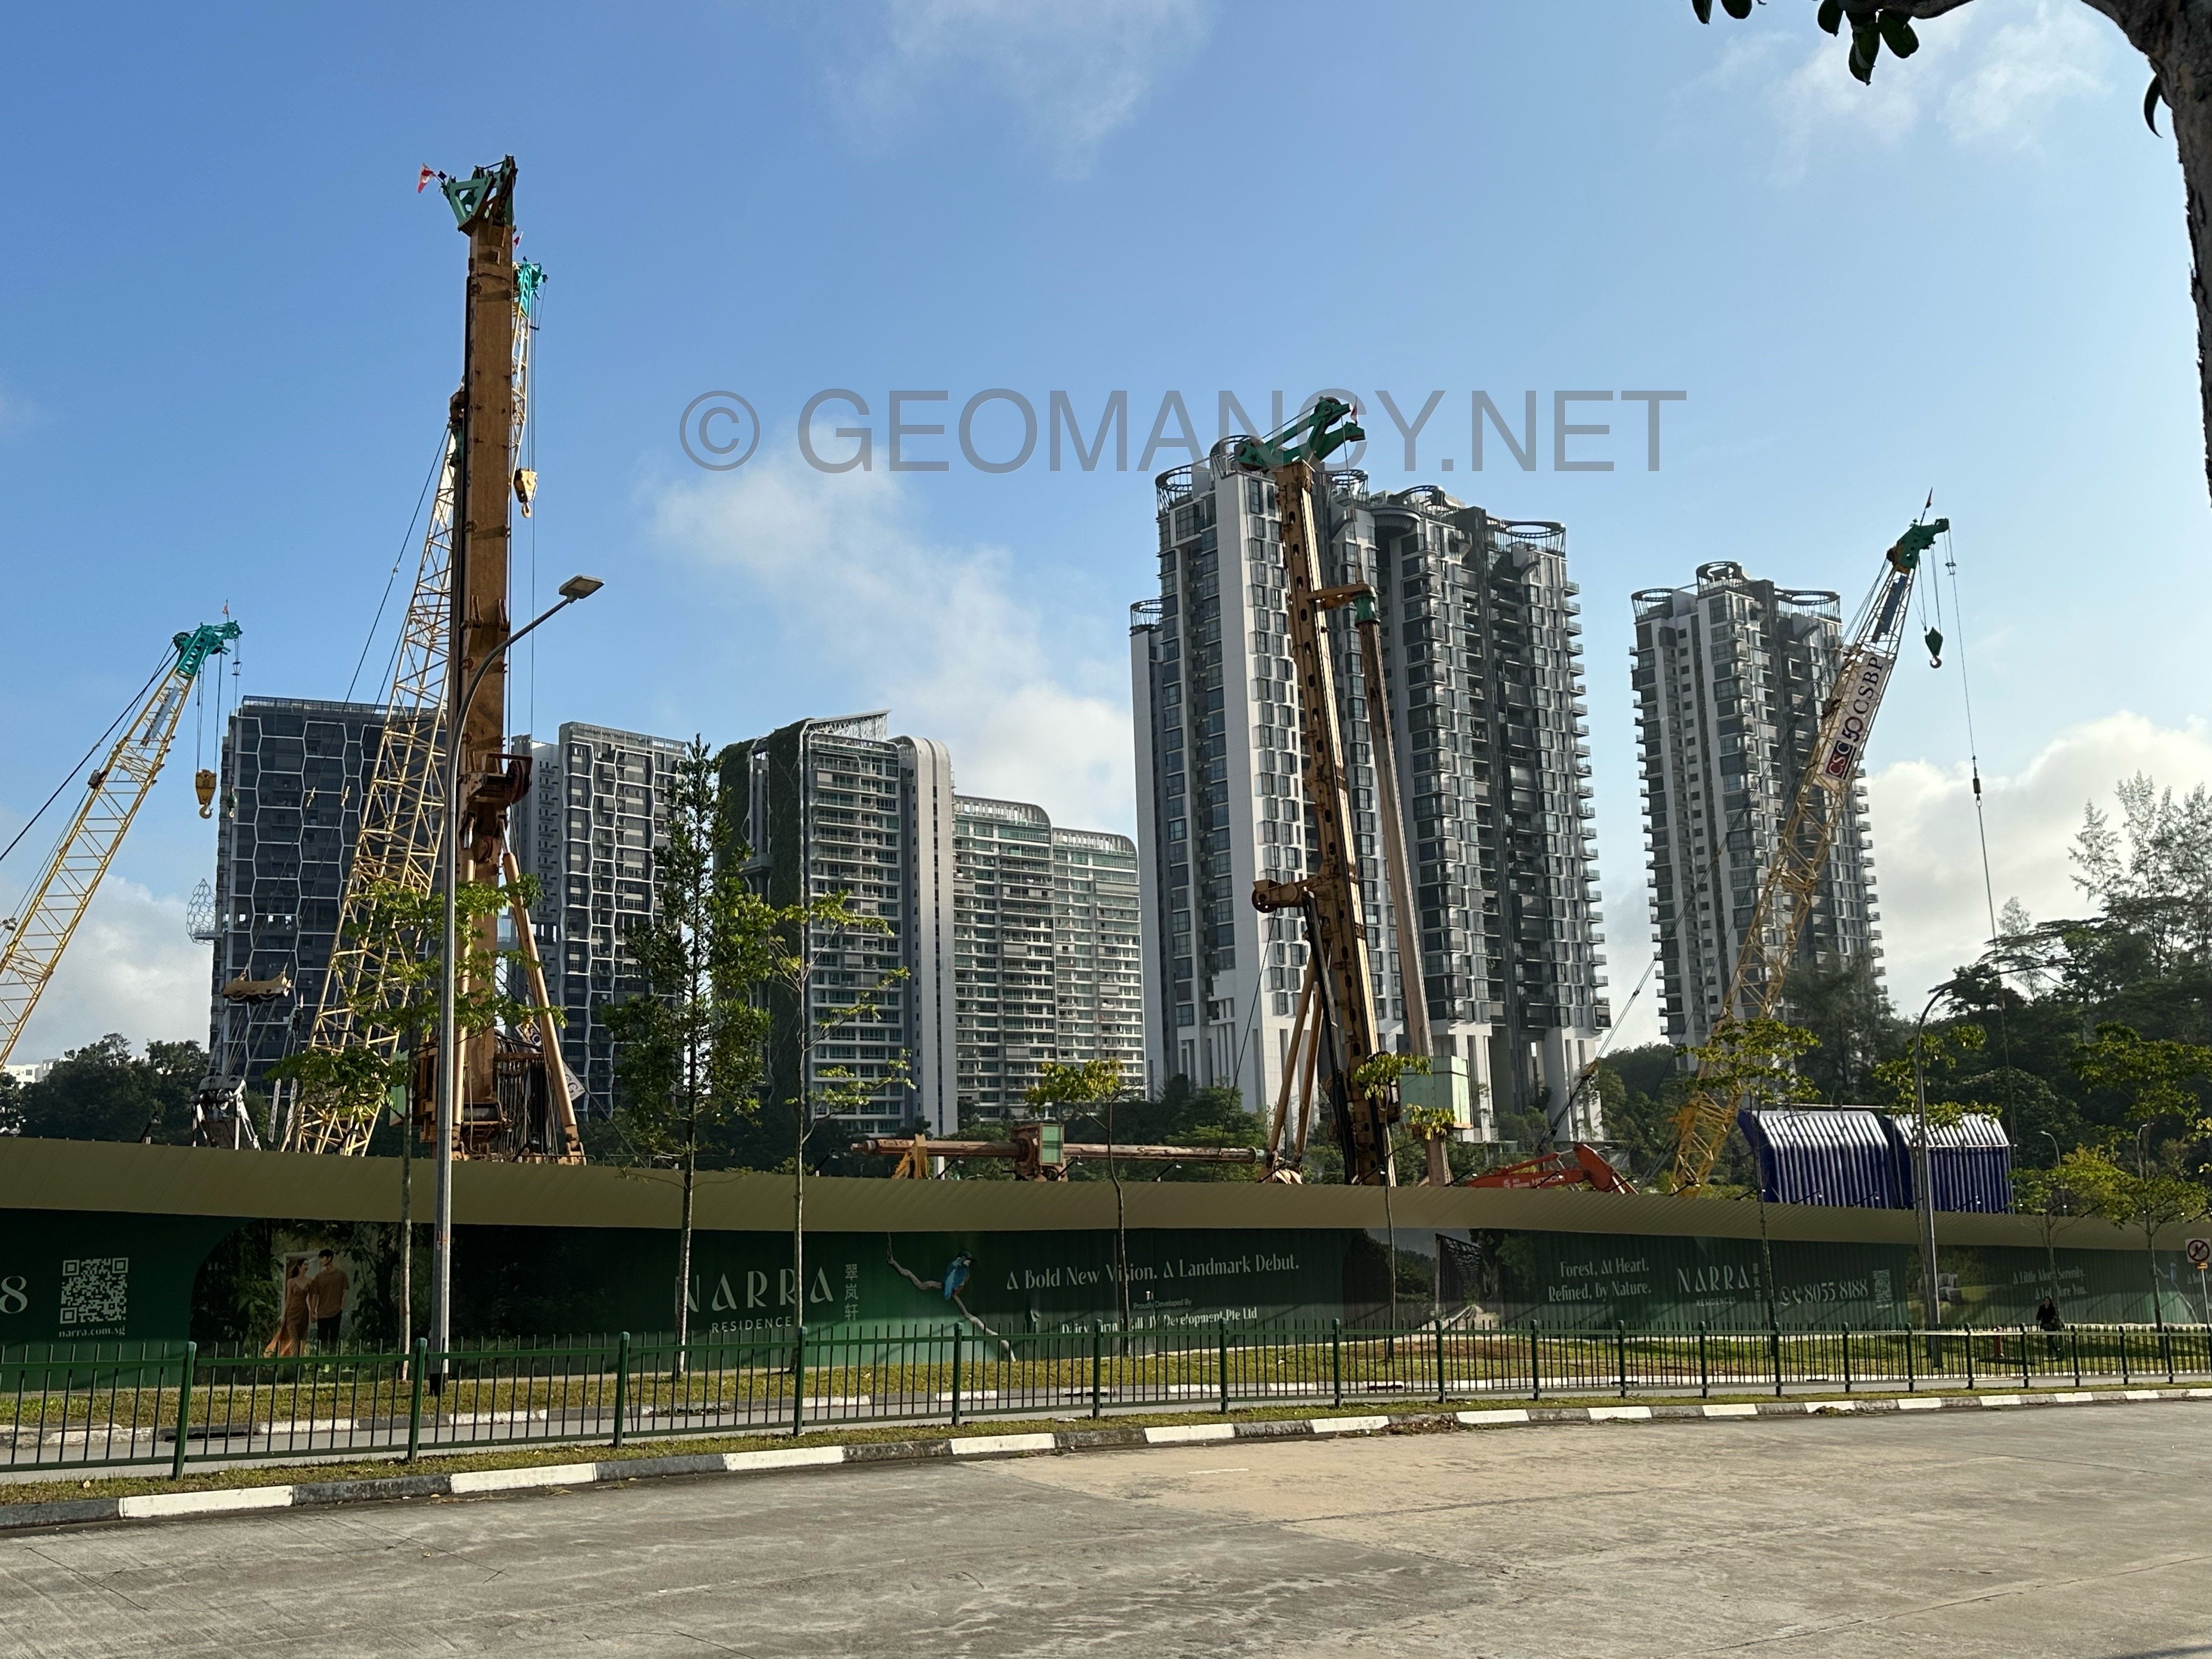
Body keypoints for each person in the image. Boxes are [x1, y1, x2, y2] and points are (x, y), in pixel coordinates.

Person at [263, 1257, 310, 1357]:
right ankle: (291, 1357)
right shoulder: (291, 1282)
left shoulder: (310, 1281)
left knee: (302, 1337)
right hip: (292, 1311)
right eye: (305, 1265)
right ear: (299, 1267)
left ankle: (299, 1358)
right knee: (293, 1337)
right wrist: (284, 1315)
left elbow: (313, 1296)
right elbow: (288, 1299)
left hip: (303, 1311)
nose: (307, 1267)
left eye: (308, 1265)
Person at [306, 1249, 349, 1351]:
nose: (321, 1261)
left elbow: (345, 1291)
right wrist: (312, 1312)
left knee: (334, 1339)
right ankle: (322, 1358)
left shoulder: (341, 1275)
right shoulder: (319, 1277)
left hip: (336, 1311)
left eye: (323, 1258)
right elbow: (315, 1295)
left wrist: (341, 1307)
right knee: (322, 1340)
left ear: (329, 1258)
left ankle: (333, 1357)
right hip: (322, 1313)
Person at [2036, 1294, 2063, 1359]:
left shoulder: (2052, 1308)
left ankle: (2052, 1352)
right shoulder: (2042, 1308)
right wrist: (2038, 1322)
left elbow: (2054, 1316)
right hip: (2046, 1325)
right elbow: (2039, 1316)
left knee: (2050, 1339)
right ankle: (2057, 1351)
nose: (2047, 1302)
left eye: (2048, 1301)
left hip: (2052, 1326)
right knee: (2050, 1339)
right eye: (2045, 1301)